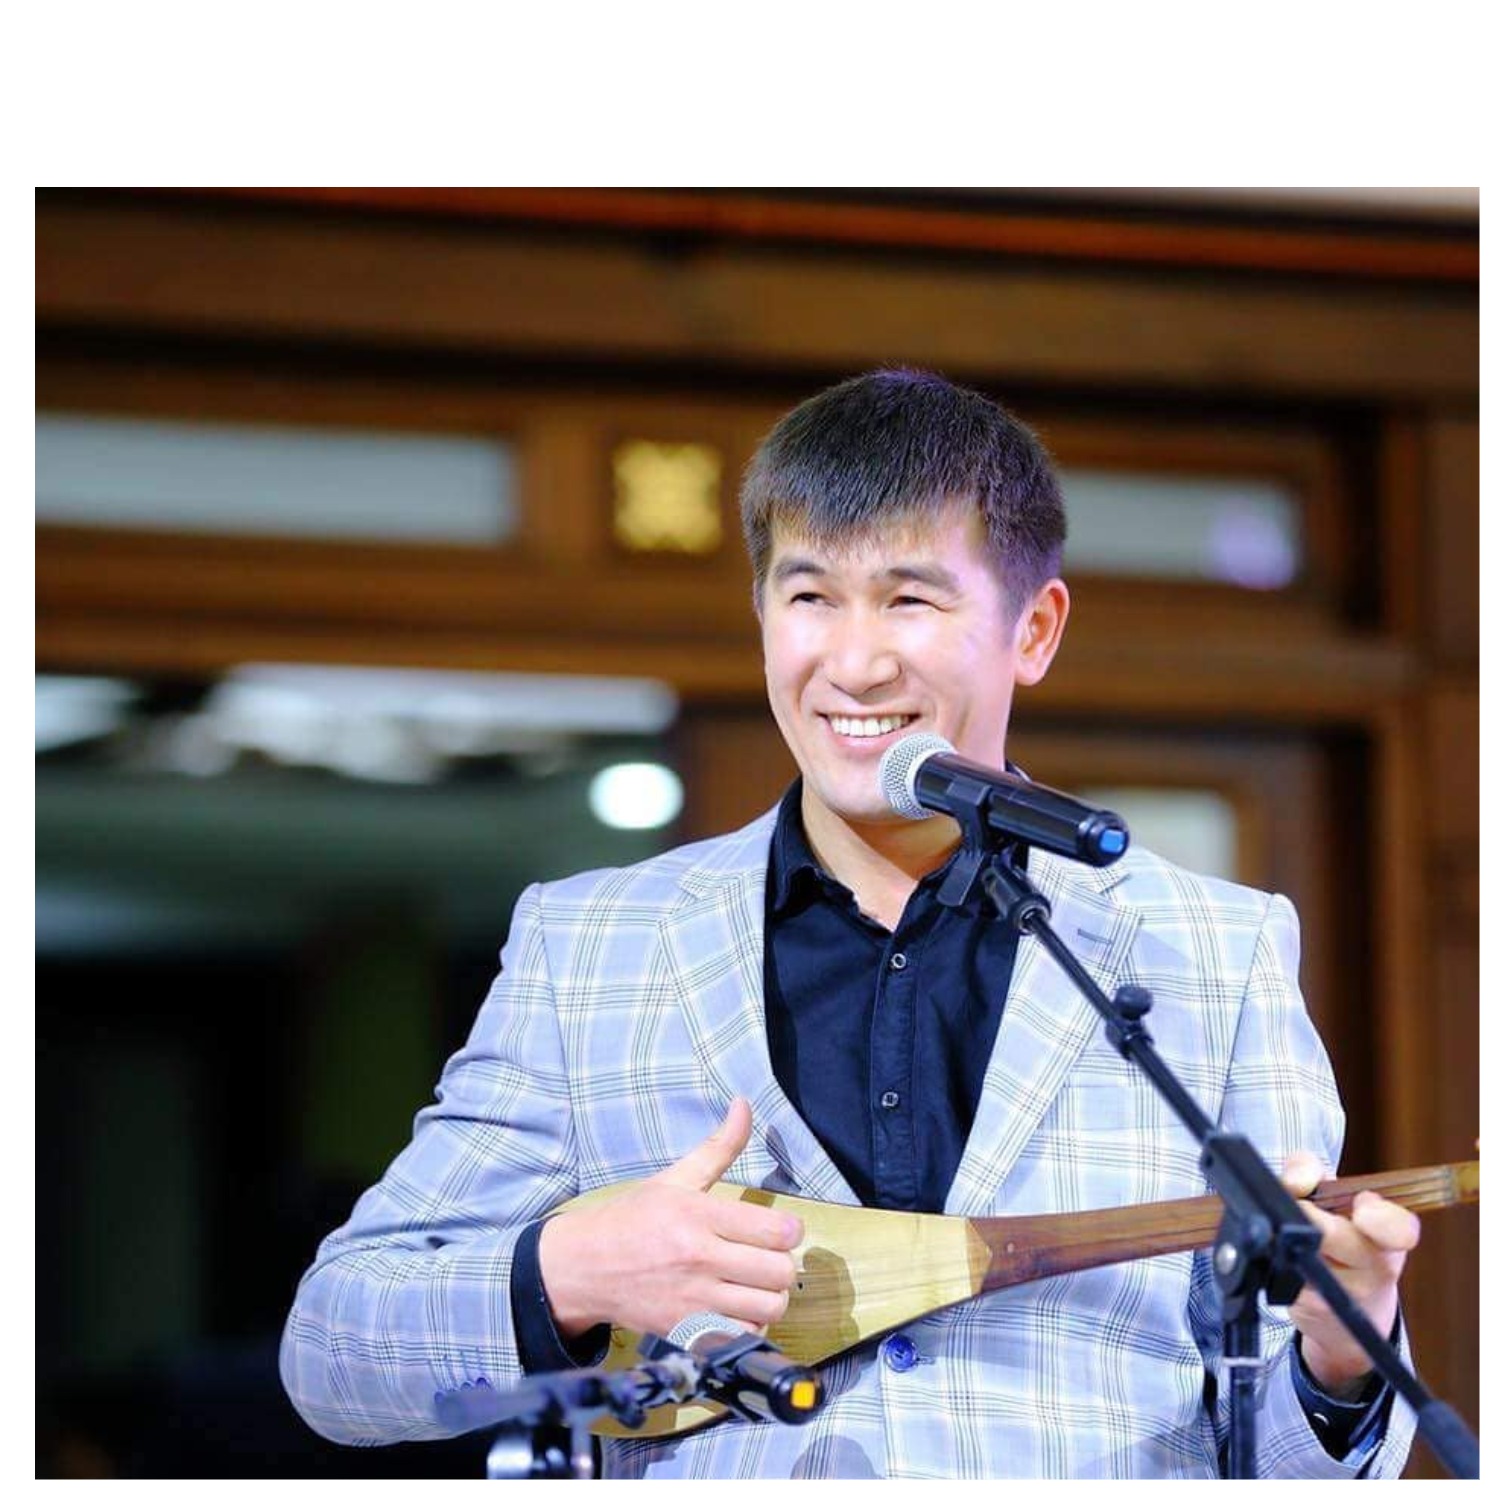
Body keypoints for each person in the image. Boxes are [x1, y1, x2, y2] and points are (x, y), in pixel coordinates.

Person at [280, 369, 1421, 1478]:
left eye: (910, 599)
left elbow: (1297, 1466)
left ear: (1034, 630)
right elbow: (333, 1353)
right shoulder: (593, 948)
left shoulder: (1208, 950)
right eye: (810, 596)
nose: (855, 662)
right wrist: (564, 1272)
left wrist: (1342, 1351)